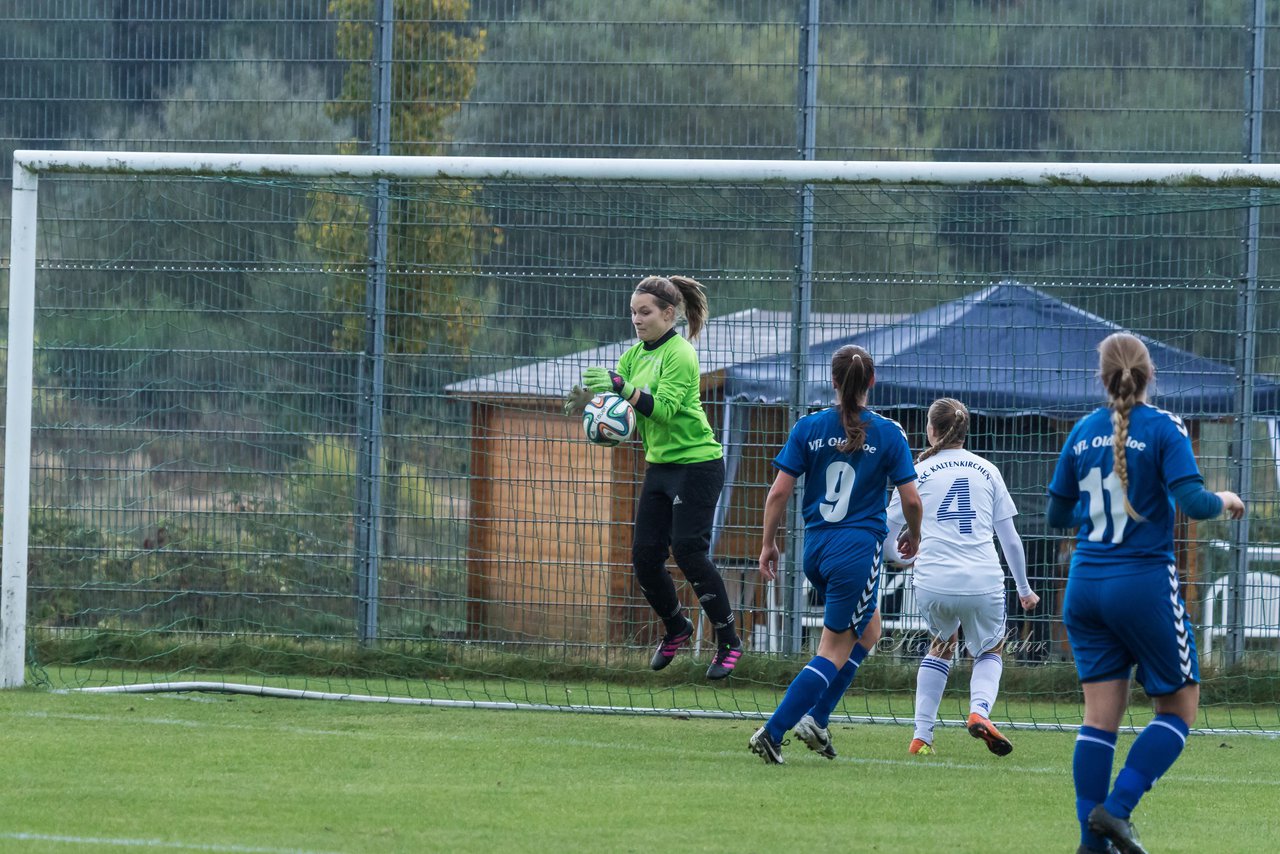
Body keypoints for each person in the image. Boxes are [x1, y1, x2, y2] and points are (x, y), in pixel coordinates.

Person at [1046, 332, 1245, 854]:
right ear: (1149, 374)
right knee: (1179, 709)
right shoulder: (1164, 428)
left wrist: (1092, 512)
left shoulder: (1083, 431)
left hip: (1085, 586)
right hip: (1142, 584)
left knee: (1098, 720)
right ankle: (1117, 810)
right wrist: (1225, 497)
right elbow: (1194, 503)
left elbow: (1055, 516)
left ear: (1102, 375)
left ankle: (1090, 847)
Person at [750, 344, 923, 763]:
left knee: (869, 631)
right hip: (856, 553)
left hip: (817, 548)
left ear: (832, 380)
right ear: (872, 382)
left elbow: (778, 493)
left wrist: (767, 544)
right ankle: (773, 732)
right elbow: (912, 501)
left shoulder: (808, 426)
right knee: (832, 650)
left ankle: (818, 718)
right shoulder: (888, 432)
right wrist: (914, 535)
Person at [566, 275, 743, 680]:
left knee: (687, 550)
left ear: (669, 313)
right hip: (660, 467)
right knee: (645, 559)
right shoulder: (632, 356)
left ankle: (729, 639)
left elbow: (660, 409)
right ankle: (677, 627)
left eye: (644, 312)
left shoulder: (680, 354)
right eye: (632, 312)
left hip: (698, 464)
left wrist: (619, 386)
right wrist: (591, 403)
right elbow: (623, 406)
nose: (637, 319)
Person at [883, 398, 1040, 758]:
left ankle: (921, 736)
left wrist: (904, 558)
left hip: (934, 581)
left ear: (932, 430)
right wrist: (1024, 589)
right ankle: (978, 713)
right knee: (989, 649)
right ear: (964, 432)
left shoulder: (915, 473)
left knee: (941, 645)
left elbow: (888, 539)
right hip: (983, 580)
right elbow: (1010, 539)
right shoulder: (987, 470)